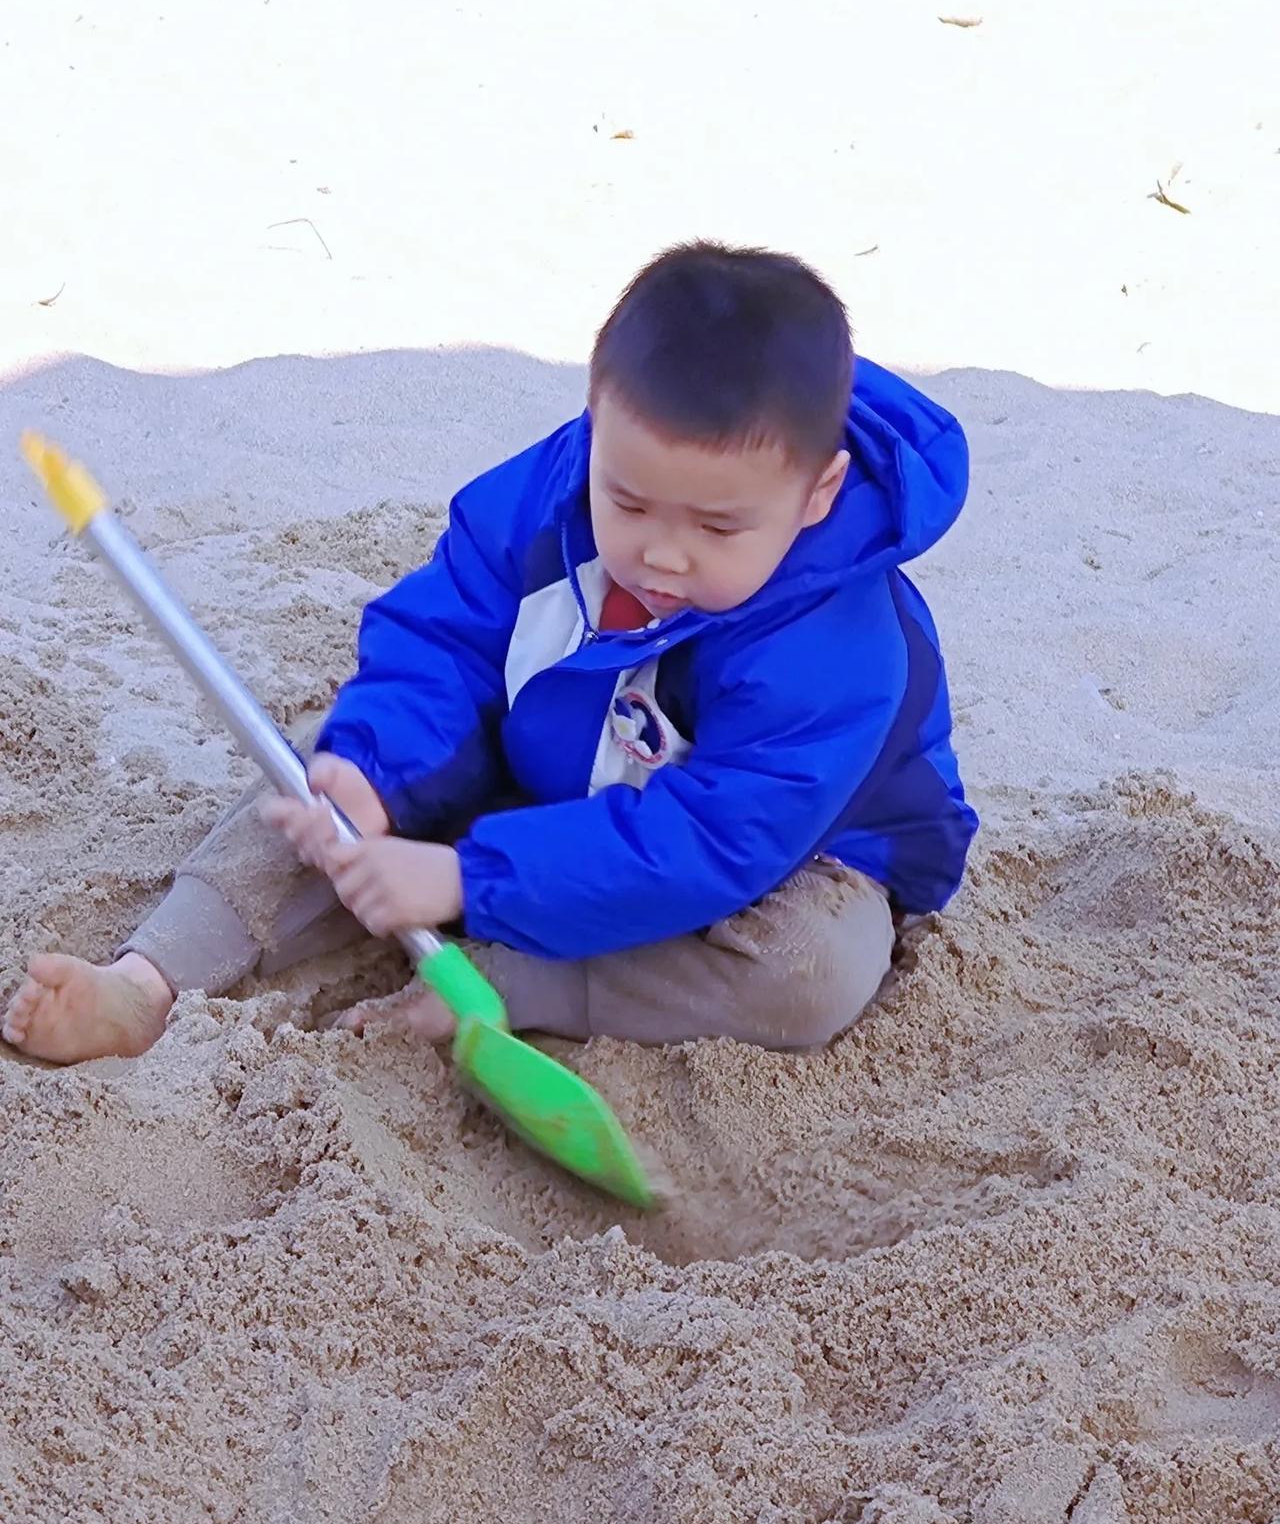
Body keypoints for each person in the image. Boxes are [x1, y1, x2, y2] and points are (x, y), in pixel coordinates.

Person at [2, 242, 978, 1064]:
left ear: (816, 494)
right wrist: (375, 771)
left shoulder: (836, 651)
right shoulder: (546, 495)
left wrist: (470, 882)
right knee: (311, 776)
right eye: (628, 502)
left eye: (718, 528)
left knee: (814, 972)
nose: (660, 553)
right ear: (597, 428)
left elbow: (714, 842)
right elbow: (446, 637)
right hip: (555, 759)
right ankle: (148, 979)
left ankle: (517, 984)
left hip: (780, 854)